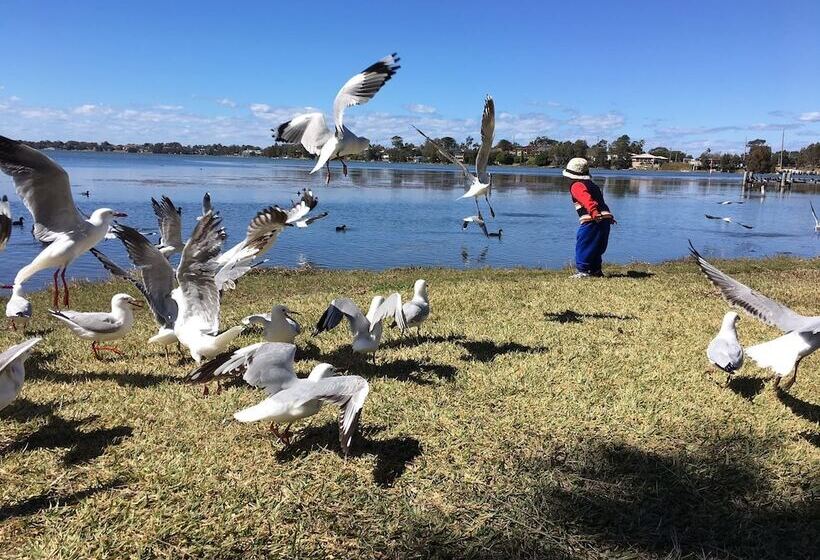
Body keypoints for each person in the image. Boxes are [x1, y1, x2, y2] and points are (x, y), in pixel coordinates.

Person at [563, 157, 615, 278]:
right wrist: (608, 217)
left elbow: (587, 199)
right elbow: (601, 201)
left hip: (592, 219)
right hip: (605, 218)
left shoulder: (576, 185)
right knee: (597, 246)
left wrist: (593, 212)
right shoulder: (593, 185)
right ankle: (596, 270)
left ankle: (583, 271)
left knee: (584, 244)